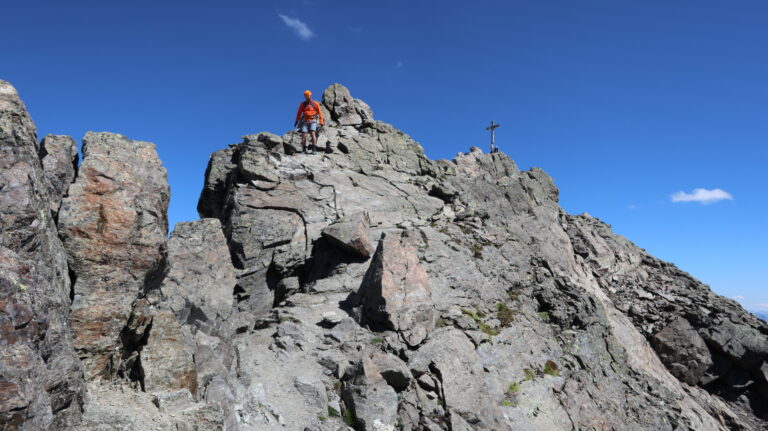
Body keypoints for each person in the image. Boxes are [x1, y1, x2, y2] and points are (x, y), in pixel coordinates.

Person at [294, 90, 325, 154]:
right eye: (306, 96)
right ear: (305, 97)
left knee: (313, 133)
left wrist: (321, 121)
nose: (308, 97)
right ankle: (304, 149)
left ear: (311, 95)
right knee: (303, 134)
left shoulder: (315, 103)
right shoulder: (302, 104)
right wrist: (297, 120)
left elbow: (320, 113)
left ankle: (314, 149)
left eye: (308, 96)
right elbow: (299, 113)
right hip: (305, 121)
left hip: (313, 120)